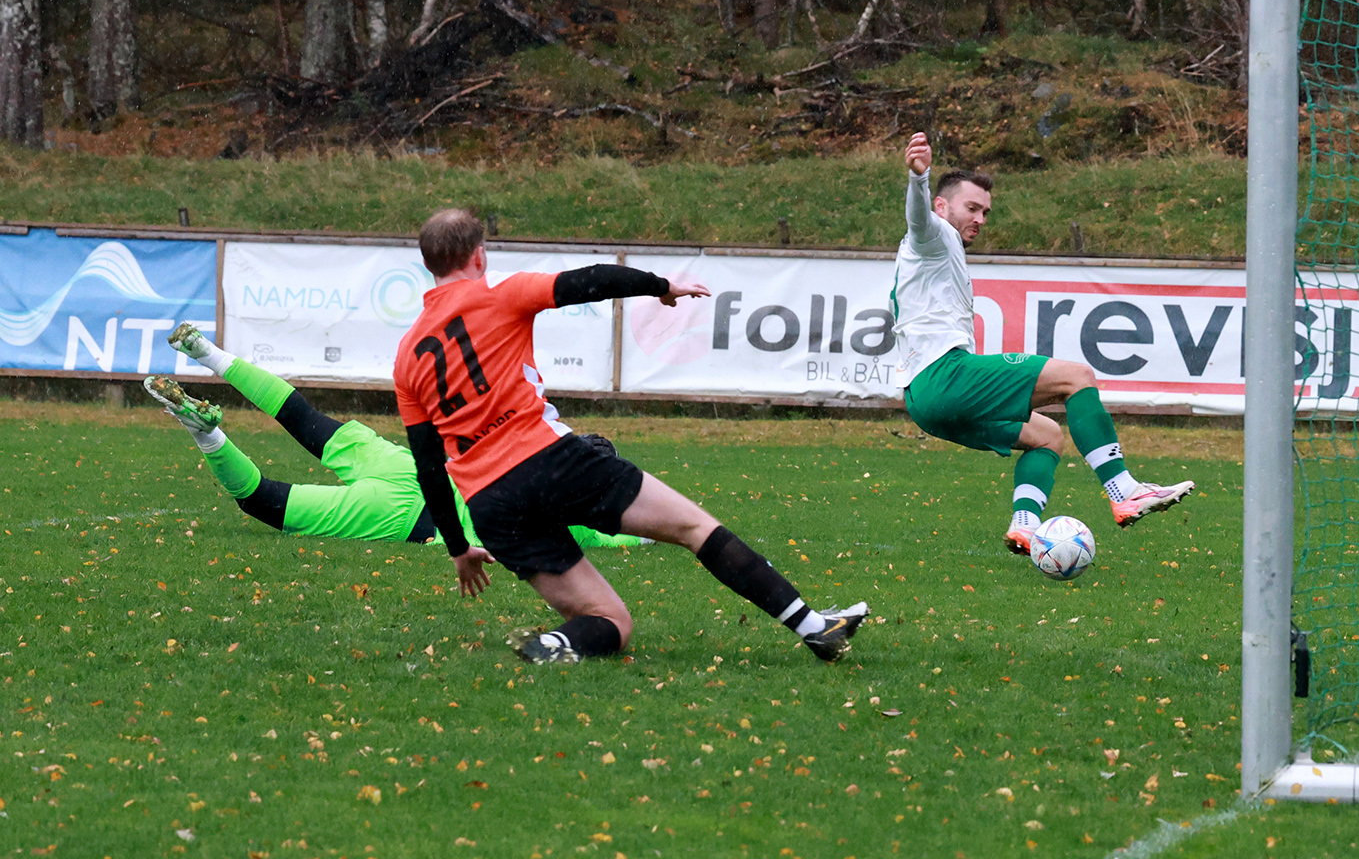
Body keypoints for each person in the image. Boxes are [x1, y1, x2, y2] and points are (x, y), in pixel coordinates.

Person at [394, 208, 867, 665]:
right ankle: (812, 628)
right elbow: (592, 280)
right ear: (478, 255)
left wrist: (458, 548)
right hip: (551, 462)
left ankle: (559, 643)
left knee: (610, 621)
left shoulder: (406, 356)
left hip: (492, 504)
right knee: (695, 528)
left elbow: (429, 467)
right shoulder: (500, 293)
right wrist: (661, 288)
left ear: (427, 262)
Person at [891, 132, 1195, 556]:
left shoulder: (941, 254)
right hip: (945, 376)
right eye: (972, 208)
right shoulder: (935, 234)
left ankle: (1026, 527)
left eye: (986, 212)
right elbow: (918, 221)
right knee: (1077, 377)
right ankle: (1124, 490)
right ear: (942, 206)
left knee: (1048, 435)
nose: (980, 218)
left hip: (923, 403)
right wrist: (918, 180)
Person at [145, 327, 647, 550]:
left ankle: (208, 352)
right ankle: (203, 431)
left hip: (407, 468)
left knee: (305, 419)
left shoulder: (528, 448)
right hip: (406, 515)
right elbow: (640, 533)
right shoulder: (578, 521)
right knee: (264, 501)